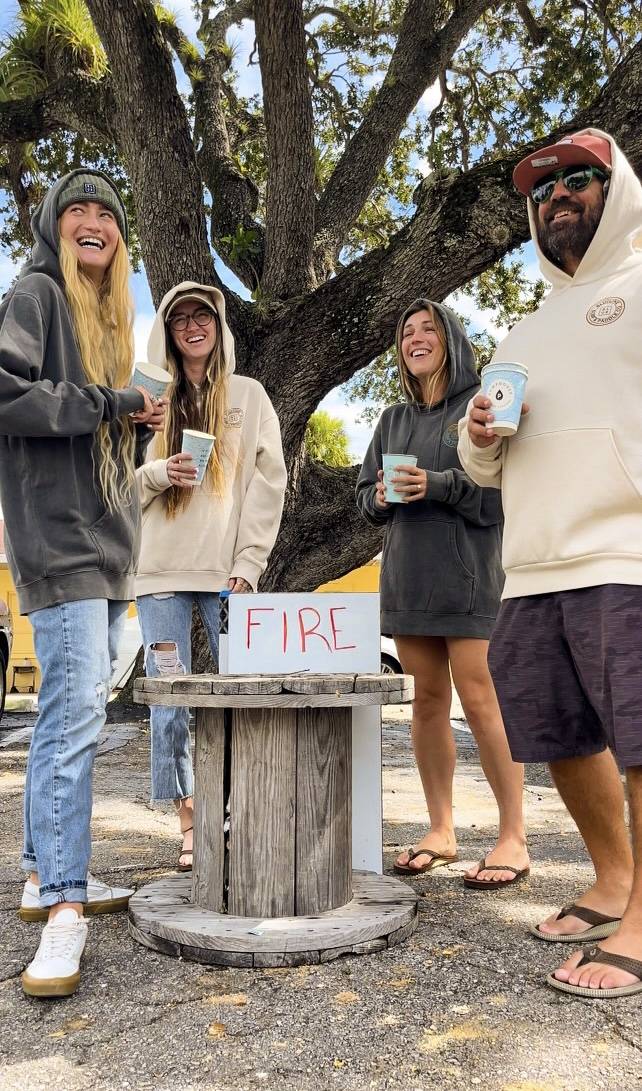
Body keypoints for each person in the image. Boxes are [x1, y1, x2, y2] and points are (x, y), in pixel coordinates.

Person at [459, 128, 642, 998]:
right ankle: (612, 880)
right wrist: (475, 432)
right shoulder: (520, 329)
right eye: (542, 189)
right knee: (561, 735)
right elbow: (484, 466)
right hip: (531, 565)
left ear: (620, 191)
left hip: (626, 547)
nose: (557, 196)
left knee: (641, 740)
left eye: (579, 179)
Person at [0, 169, 164, 998]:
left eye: (107, 211)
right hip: (57, 544)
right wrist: (110, 400)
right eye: (78, 209)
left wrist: (132, 423)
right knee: (73, 724)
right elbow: (7, 396)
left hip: (100, 549)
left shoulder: (104, 323)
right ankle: (65, 906)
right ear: (54, 224)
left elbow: (94, 439)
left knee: (69, 717)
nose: (93, 220)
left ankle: (40, 874)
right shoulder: (34, 292)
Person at [356, 299, 529, 887]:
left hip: (472, 575)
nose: (416, 338)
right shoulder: (391, 421)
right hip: (408, 576)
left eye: (429, 328)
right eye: (406, 331)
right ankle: (442, 829)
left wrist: (439, 484)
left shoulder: (482, 406)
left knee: (480, 700)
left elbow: (500, 496)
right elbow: (364, 498)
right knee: (426, 703)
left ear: (452, 339)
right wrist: (379, 495)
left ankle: (513, 836)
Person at [135, 281, 287, 868]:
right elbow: (114, 486)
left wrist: (248, 565)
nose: (192, 326)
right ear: (168, 332)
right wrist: (156, 476)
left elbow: (267, 488)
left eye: (203, 316)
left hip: (226, 576)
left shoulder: (248, 396)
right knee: (171, 696)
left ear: (219, 327)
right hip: (160, 575)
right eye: (180, 319)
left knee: (235, 695)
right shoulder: (148, 400)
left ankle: (237, 804)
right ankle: (191, 819)